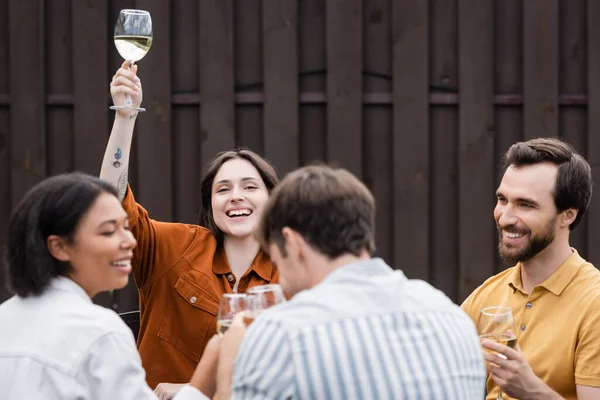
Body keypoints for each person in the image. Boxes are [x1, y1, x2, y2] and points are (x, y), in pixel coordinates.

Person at [205, 165, 486, 399]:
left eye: (276, 259)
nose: (283, 282)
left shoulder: (283, 335)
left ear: (293, 243)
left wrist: (230, 357)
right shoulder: (452, 316)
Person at [99, 61, 280, 390]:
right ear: (210, 204)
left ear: (272, 200)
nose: (236, 197)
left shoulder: (292, 274)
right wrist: (125, 117)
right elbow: (109, 204)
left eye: (250, 187)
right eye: (223, 189)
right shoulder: (175, 248)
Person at [0, 172, 217, 399]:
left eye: (125, 227)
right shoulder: (101, 333)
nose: (130, 241)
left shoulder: (5, 319)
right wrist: (205, 377)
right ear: (59, 247)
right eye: (108, 231)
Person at [461, 137, 600, 400]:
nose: (506, 217)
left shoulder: (595, 303)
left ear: (568, 215)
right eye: (503, 200)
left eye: (525, 204)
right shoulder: (485, 296)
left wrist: (532, 391)